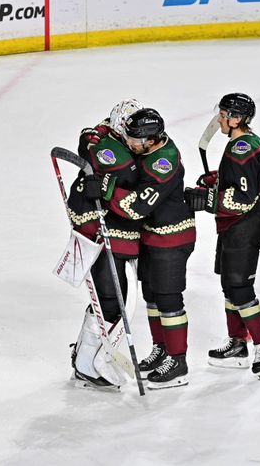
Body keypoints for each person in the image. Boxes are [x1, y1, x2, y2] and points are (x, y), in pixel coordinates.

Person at [84, 108, 196, 389]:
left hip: (172, 239)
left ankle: (177, 361)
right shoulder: (147, 148)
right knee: (153, 297)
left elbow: (136, 207)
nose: (130, 144)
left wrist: (106, 190)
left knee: (169, 299)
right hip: (151, 237)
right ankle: (161, 350)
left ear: (151, 139)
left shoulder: (164, 162)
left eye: (134, 140)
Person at [185, 93, 260, 379]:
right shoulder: (251, 143)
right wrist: (219, 179)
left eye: (225, 114)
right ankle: (238, 343)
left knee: (239, 288)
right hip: (235, 226)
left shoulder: (240, 150)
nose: (220, 119)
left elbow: (243, 198)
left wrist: (207, 198)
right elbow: (255, 179)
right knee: (229, 285)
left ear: (237, 119)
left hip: (244, 226)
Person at [67, 99, 143, 390]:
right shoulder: (113, 152)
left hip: (102, 227)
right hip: (101, 230)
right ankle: (89, 361)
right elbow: (129, 174)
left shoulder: (102, 136)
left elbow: (90, 137)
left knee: (108, 297)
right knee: (112, 298)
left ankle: (86, 357)